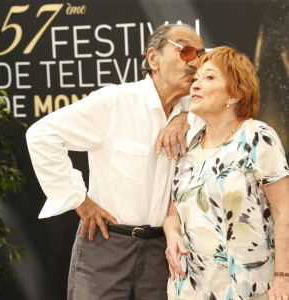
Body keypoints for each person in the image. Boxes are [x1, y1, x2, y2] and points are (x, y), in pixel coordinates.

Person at [26, 23, 204, 300]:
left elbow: (234, 85)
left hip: (164, 251)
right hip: (107, 245)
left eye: (201, 56)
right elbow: (42, 135)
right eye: (186, 51)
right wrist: (78, 200)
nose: (195, 61)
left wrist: (186, 115)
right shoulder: (115, 102)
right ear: (153, 58)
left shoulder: (197, 112)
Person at [164, 46, 289, 300]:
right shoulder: (190, 146)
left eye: (208, 77)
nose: (195, 85)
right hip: (190, 290)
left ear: (234, 94)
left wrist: (283, 278)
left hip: (250, 289)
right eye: (196, 78)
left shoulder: (257, 136)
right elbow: (171, 213)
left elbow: (284, 211)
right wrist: (173, 235)